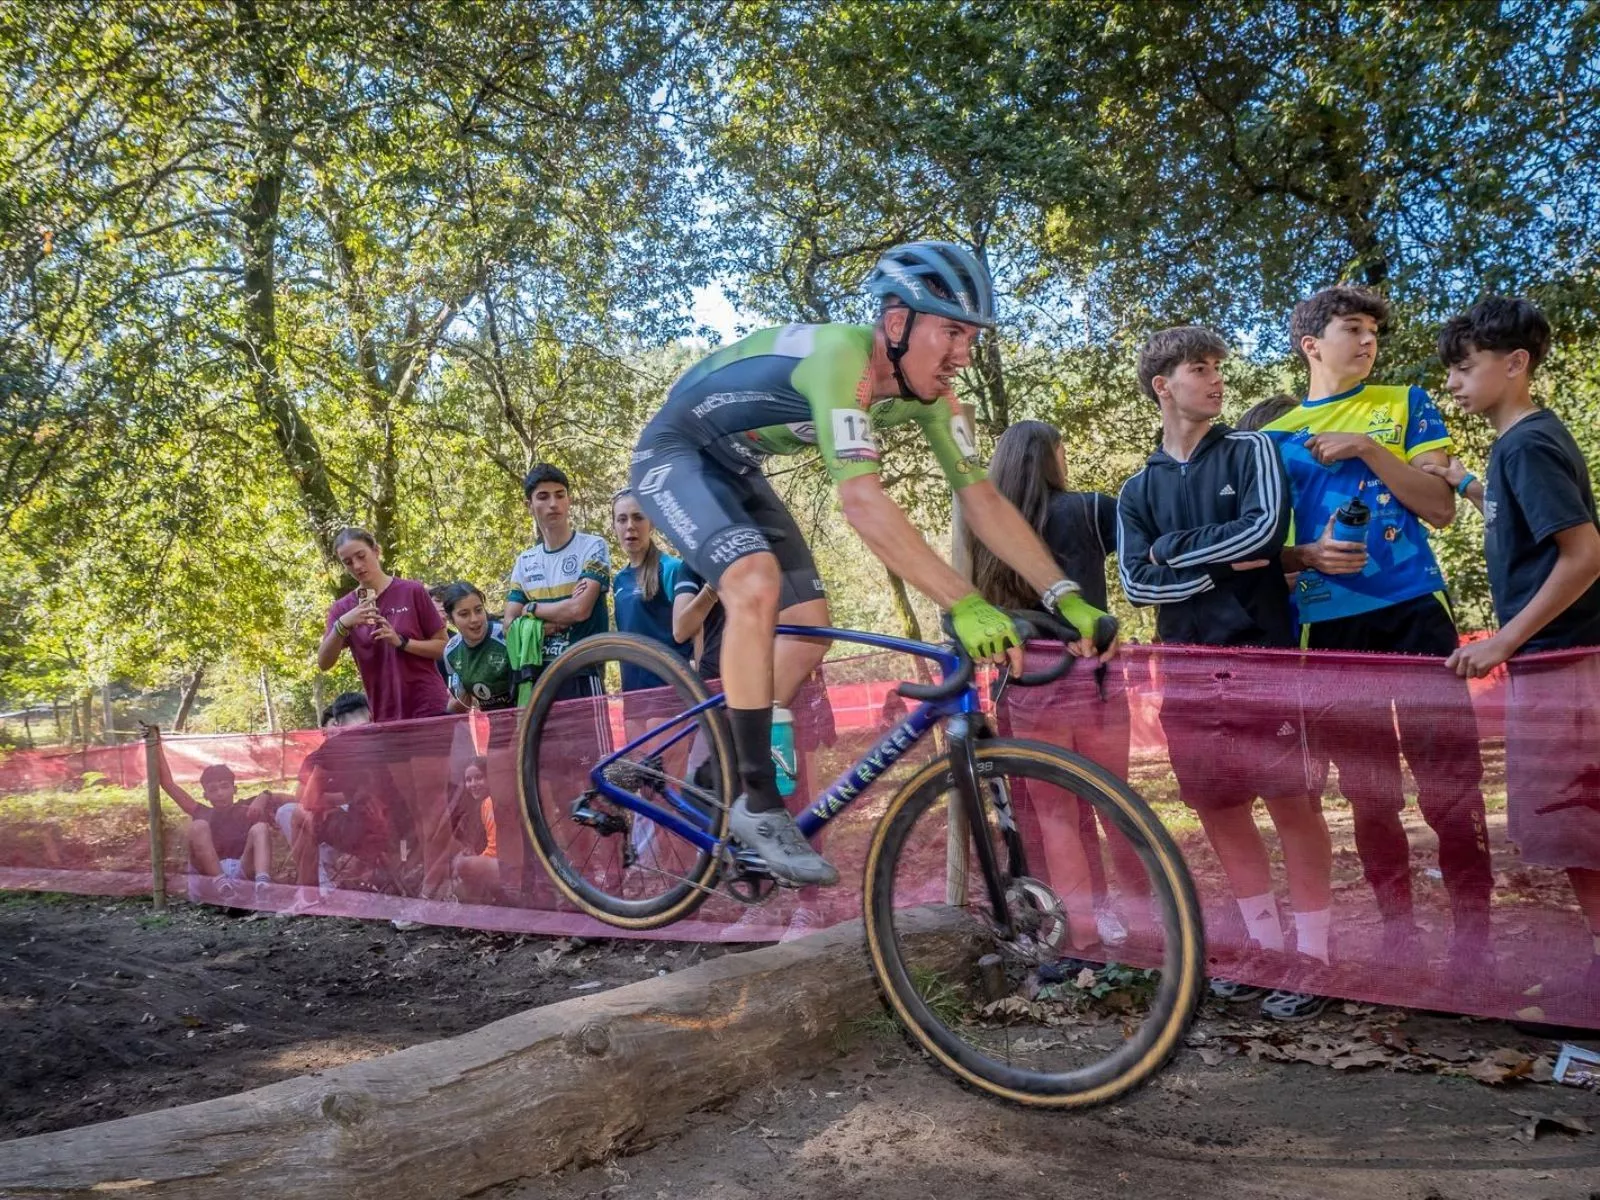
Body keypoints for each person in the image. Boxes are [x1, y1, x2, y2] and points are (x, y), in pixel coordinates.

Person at [628, 241, 1115, 885]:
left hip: (735, 466)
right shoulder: (841, 360)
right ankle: (754, 797)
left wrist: (1063, 594)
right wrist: (964, 603)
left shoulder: (934, 397)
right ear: (895, 325)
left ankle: (713, 763)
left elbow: (982, 497)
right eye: (950, 332)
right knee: (754, 581)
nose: (963, 354)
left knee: (806, 627)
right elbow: (860, 499)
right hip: (673, 454)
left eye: (970, 336)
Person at [1260, 286, 1494, 975]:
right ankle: (1398, 932)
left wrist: (1367, 448)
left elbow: (1441, 509)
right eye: (1353, 329)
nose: (1368, 342)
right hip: (1331, 627)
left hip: (1417, 611)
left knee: (1450, 781)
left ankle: (1474, 938)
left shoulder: (1406, 403)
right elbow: (1259, 552)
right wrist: (1305, 557)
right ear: (1311, 344)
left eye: (1374, 333)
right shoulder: (1271, 440)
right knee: (1369, 791)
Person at [1118, 326, 1336, 1021]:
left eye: (1218, 367)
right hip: (1184, 673)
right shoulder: (1134, 488)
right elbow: (1134, 583)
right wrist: (1206, 566)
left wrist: (1173, 552)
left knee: (1294, 807)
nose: (1216, 380)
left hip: (1262, 662)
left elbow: (1263, 534)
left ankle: (1317, 960)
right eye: (1199, 369)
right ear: (1163, 386)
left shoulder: (1254, 449)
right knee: (1220, 810)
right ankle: (1267, 950)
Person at [1427, 297, 1600, 1002]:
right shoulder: (1513, 449)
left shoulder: (1527, 444)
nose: (1454, 384)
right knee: (1570, 831)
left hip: (1567, 663)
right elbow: (1522, 525)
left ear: (1516, 364)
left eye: (1466, 369)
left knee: (1578, 824)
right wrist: (1465, 485)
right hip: (1550, 661)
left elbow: (1584, 554)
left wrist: (1503, 639)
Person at [965, 419, 1149, 950]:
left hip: (1024, 682)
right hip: (1092, 672)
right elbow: (1143, 558)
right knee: (1118, 805)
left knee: (1055, 817)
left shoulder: (985, 529)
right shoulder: (1091, 508)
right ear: (1054, 456)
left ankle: (1080, 936)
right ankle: (1148, 921)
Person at [439, 580, 532, 902]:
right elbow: (462, 699)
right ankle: (511, 884)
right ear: (452, 620)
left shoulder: (504, 634)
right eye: (464, 614)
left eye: (478, 610)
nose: (475, 619)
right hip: (496, 727)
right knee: (503, 806)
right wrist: (435, 717)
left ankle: (545, 878)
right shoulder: (451, 652)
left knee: (537, 804)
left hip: (527, 721)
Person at [316, 528, 450, 720]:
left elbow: (444, 647)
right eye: (348, 562)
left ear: (376, 551)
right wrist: (342, 625)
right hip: (384, 712)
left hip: (428, 704)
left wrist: (403, 642)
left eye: (361, 556)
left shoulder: (412, 591)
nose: (357, 566)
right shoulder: (342, 609)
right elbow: (324, 662)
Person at [504, 464, 611, 698]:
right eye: (543, 497)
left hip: (582, 672)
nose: (553, 503)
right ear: (529, 505)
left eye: (560, 495)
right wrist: (546, 626)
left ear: (569, 500)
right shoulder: (524, 561)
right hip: (538, 677)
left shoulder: (593, 546)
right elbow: (509, 625)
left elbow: (579, 610)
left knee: (590, 737)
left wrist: (531, 608)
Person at [151, 741, 275, 899]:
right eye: (213, 790)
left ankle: (263, 885)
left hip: (243, 869)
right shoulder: (201, 812)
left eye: (224, 786)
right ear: (206, 795)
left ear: (234, 789)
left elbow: (284, 798)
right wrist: (155, 745)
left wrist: (265, 795)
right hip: (212, 876)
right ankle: (222, 885)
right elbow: (168, 784)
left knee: (260, 828)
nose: (220, 793)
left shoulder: (246, 808)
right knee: (198, 825)